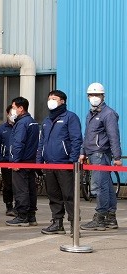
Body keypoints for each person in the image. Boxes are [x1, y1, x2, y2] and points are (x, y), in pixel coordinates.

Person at [36, 90, 82, 234]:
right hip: (49, 164)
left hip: (64, 164)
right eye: (49, 98)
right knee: (53, 195)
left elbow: (76, 140)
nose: (50, 101)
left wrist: (72, 160)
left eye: (54, 98)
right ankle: (57, 223)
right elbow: (41, 142)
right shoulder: (46, 121)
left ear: (62, 101)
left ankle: (74, 225)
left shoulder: (70, 117)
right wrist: (38, 161)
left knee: (69, 196)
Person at [79, 82, 122, 231]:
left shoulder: (108, 114)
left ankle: (100, 217)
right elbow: (87, 135)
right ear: (87, 97)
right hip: (93, 153)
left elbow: (113, 136)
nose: (94, 97)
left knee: (100, 186)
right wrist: (83, 152)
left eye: (97, 94)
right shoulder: (91, 114)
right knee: (107, 185)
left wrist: (117, 157)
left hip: (101, 154)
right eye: (91, 94)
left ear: (103, 96)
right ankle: (111, 217)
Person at [5, 97, 40, 227]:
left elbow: (18, 143)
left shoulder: (22, 123)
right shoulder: (33, 122)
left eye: (14, 107)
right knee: (31, 189)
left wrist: (15, 161)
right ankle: (31, 216)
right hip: (30, 161)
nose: (12, 110)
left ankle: (22, 216)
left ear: (21, 108)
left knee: (21, 190)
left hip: (21, 162)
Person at [0, 105, 15, 216]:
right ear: (7, 114)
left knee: (19, 185)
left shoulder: (20, 127)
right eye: (11, 113)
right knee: (8, 185)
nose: (13, 116)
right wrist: (0, 158)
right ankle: (9, 206)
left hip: (19, 161)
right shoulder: (1, 129)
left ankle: (20, 206)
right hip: (6, 161)